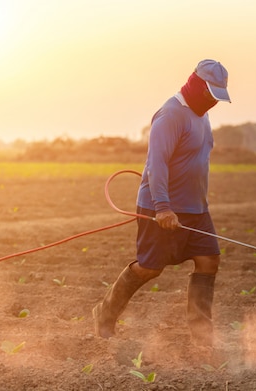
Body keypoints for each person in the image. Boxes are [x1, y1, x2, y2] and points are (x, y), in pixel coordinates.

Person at [93, 59, 231, 348]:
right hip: (162, 205)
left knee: (209, 260)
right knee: (150, 267)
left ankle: (202, 336)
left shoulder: (201, 115)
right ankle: (104, 314)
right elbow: (156, 165)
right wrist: (163, 207)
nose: (214, 103)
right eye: (211, 94)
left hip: (196, 208)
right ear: (197, 85)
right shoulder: (171, 114)